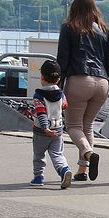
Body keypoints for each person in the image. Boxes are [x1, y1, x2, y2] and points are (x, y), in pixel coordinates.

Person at [56, 0, 109, 183]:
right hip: (102, 83)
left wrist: (56, 89)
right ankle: (82, 170)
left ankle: (88, 153)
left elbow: (62, 60)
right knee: (87, 126)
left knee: (73, 126)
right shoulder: (104, 30)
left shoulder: (69, 28)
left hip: (79, 80)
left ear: (74, 9)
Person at [29, 59, 74, 190]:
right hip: (58, 129)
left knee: (39, 154)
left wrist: (45, 128)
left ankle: (38, 178)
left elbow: (41, 113)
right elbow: (65, 106)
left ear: (42, 76)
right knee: (57, 154)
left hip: (41, 131)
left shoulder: (38, 96)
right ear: (58, 79)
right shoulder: (61, 95)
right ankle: (64, 170)